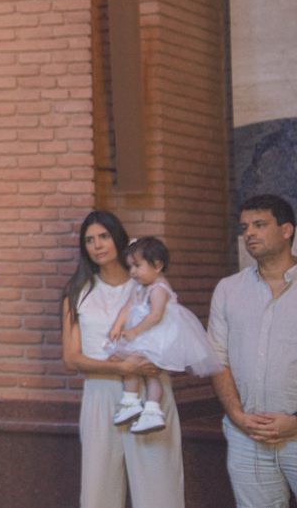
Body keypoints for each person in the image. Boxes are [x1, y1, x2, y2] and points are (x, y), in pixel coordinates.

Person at [60, 211, 185, 508]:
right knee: (98, 494)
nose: (97, 245)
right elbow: (71, 359)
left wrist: (142, 364)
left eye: (104, 236)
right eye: (89, 240)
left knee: (160, 494)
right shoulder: (77, 292)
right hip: (100, 394)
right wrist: (122, 367)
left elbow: (172, 336)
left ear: (117, 237)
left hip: (149, 393)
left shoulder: (148, 285)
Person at [208, 194, 297, 507]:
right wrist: (236, 416)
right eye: (245, 227)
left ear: (286, 230)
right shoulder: (229, 289)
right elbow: (218, 360)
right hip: (247, 437)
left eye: (259, 225)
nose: (249, 233)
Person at [106, 237, 223, 434]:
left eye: (137, 266)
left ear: (157, 265)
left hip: (159, 337)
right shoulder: (139, 287)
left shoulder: (159, 288)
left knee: (134, 366)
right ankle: (146, 409)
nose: (132, 272)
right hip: (146, 335)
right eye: (130, 267)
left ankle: (137, 404)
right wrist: (118, 326)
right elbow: (128, 307)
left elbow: (156, 316)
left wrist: (135, 331)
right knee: (144, 372)